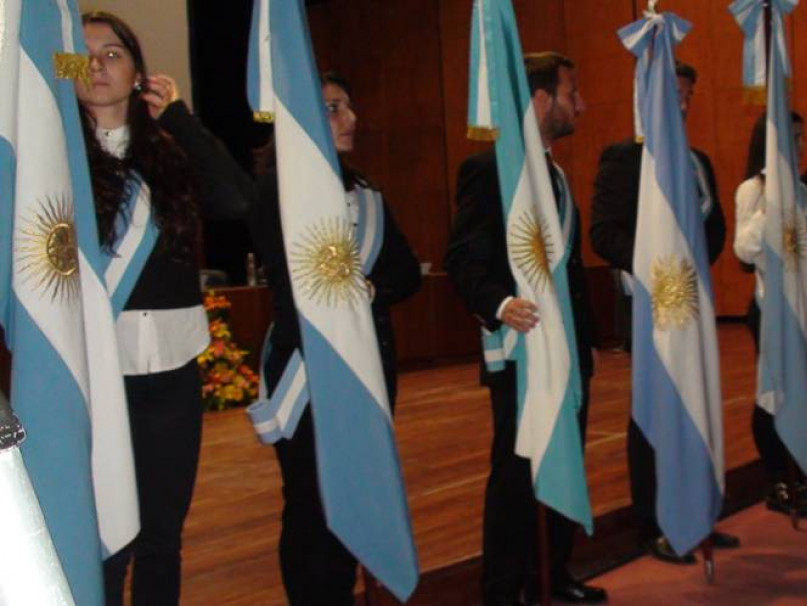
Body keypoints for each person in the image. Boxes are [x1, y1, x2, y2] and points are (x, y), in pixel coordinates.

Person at [76, 11, 253, 606]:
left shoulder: (171, 156)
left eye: (113, 53)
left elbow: (235, 199)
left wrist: (177, 114)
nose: (98, 64)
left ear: (138, 74)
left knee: (161, 537)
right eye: (84, 54)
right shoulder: (56, 161)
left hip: (172, 370)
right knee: (105, 539)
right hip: (95, 371)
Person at [247, 72, 421, 606]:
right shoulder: (274, 193)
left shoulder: (367, 196)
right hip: (308, 370)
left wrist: (368, 290)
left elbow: (407, 274)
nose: (351, 119)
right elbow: (286, 283)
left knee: (354, 493)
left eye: (348, 106)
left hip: (367, 365)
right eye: (333, 107)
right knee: (310, 500)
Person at [444, 52, 605, 606]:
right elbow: (465, 258)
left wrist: (586, 346)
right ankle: (503, 588)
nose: (580, 104)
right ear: (541, 100)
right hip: (521, 350)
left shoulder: (555, 174)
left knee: (563, 461)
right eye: (571, 92)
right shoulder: (490, 170)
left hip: (565, 353)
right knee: (515, 475)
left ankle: (550, 574)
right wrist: (500, 303)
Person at [590, 61, 737, 564]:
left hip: (691, 304)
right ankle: (654, 524)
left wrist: (693, 262)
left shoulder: (697, 161)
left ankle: (696, 511)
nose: (682, 103)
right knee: (651, 413)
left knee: (696, 398)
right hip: (649, 307)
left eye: (688, 95)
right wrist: (660, 263)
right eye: (673, 93)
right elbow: (603, 233)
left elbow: (714, 229)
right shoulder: (623, 159)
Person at [732, 112, 807, 517]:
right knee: (772, 393)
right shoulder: (753, 189)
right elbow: (744, 249)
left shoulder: (804, 192)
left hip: (803, 310)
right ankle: (777, 480)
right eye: (792, 136)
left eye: (803, 135)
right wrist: (770, 202)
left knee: (798, 394)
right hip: (769, 309)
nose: (802, 143)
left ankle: (797, 477)